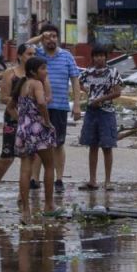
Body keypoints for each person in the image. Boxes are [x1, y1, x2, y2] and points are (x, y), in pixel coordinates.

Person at [28, 23, 81, 192]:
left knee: (58, 144)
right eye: (47, 36)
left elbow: (75, 80)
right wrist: (40, 37)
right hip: (38, 106)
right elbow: (26, 46)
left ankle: (59, 179)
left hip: (59, 106)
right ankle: (34, 179)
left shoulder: (66, 56)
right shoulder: (37, 55)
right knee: (38, 144)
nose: (51, 39)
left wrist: (77, 105)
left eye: (54, 36)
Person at [0, 41, 35, 206]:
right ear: (20, 56)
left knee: (28, 157)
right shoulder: (10, 73)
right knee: (7, 157)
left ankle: (23, 195)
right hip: (13, 118)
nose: (31, 57)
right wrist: (20, 103)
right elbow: (4, 97)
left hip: (32, 120)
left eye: (33, 54)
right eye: (29, 54)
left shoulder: (36, 74)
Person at [74, 44, 122, 190]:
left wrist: (99, 100)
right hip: (91, 112)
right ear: (93, 57)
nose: (99, 58)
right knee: (92, 146)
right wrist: (87, 92)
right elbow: (77, 82)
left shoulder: (112, 72)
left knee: (107, 146)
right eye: (96, 56)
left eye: (102, 55)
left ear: (106, 57)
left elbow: (117, 92)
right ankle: (92, 180)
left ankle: (108, 181)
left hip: (106, 112)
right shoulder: (88, 72)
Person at [15, 56, 59, 215]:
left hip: (23, 130)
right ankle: (48, 205)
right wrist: (47, 121)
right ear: (33, 71)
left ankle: (26, 208)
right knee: (49, 165)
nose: (46, 72)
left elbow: (14, 106)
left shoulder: (23, 84)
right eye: (43, 69)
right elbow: (41, 103)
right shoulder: (37, 83)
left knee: (25, 169)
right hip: (37, 128)